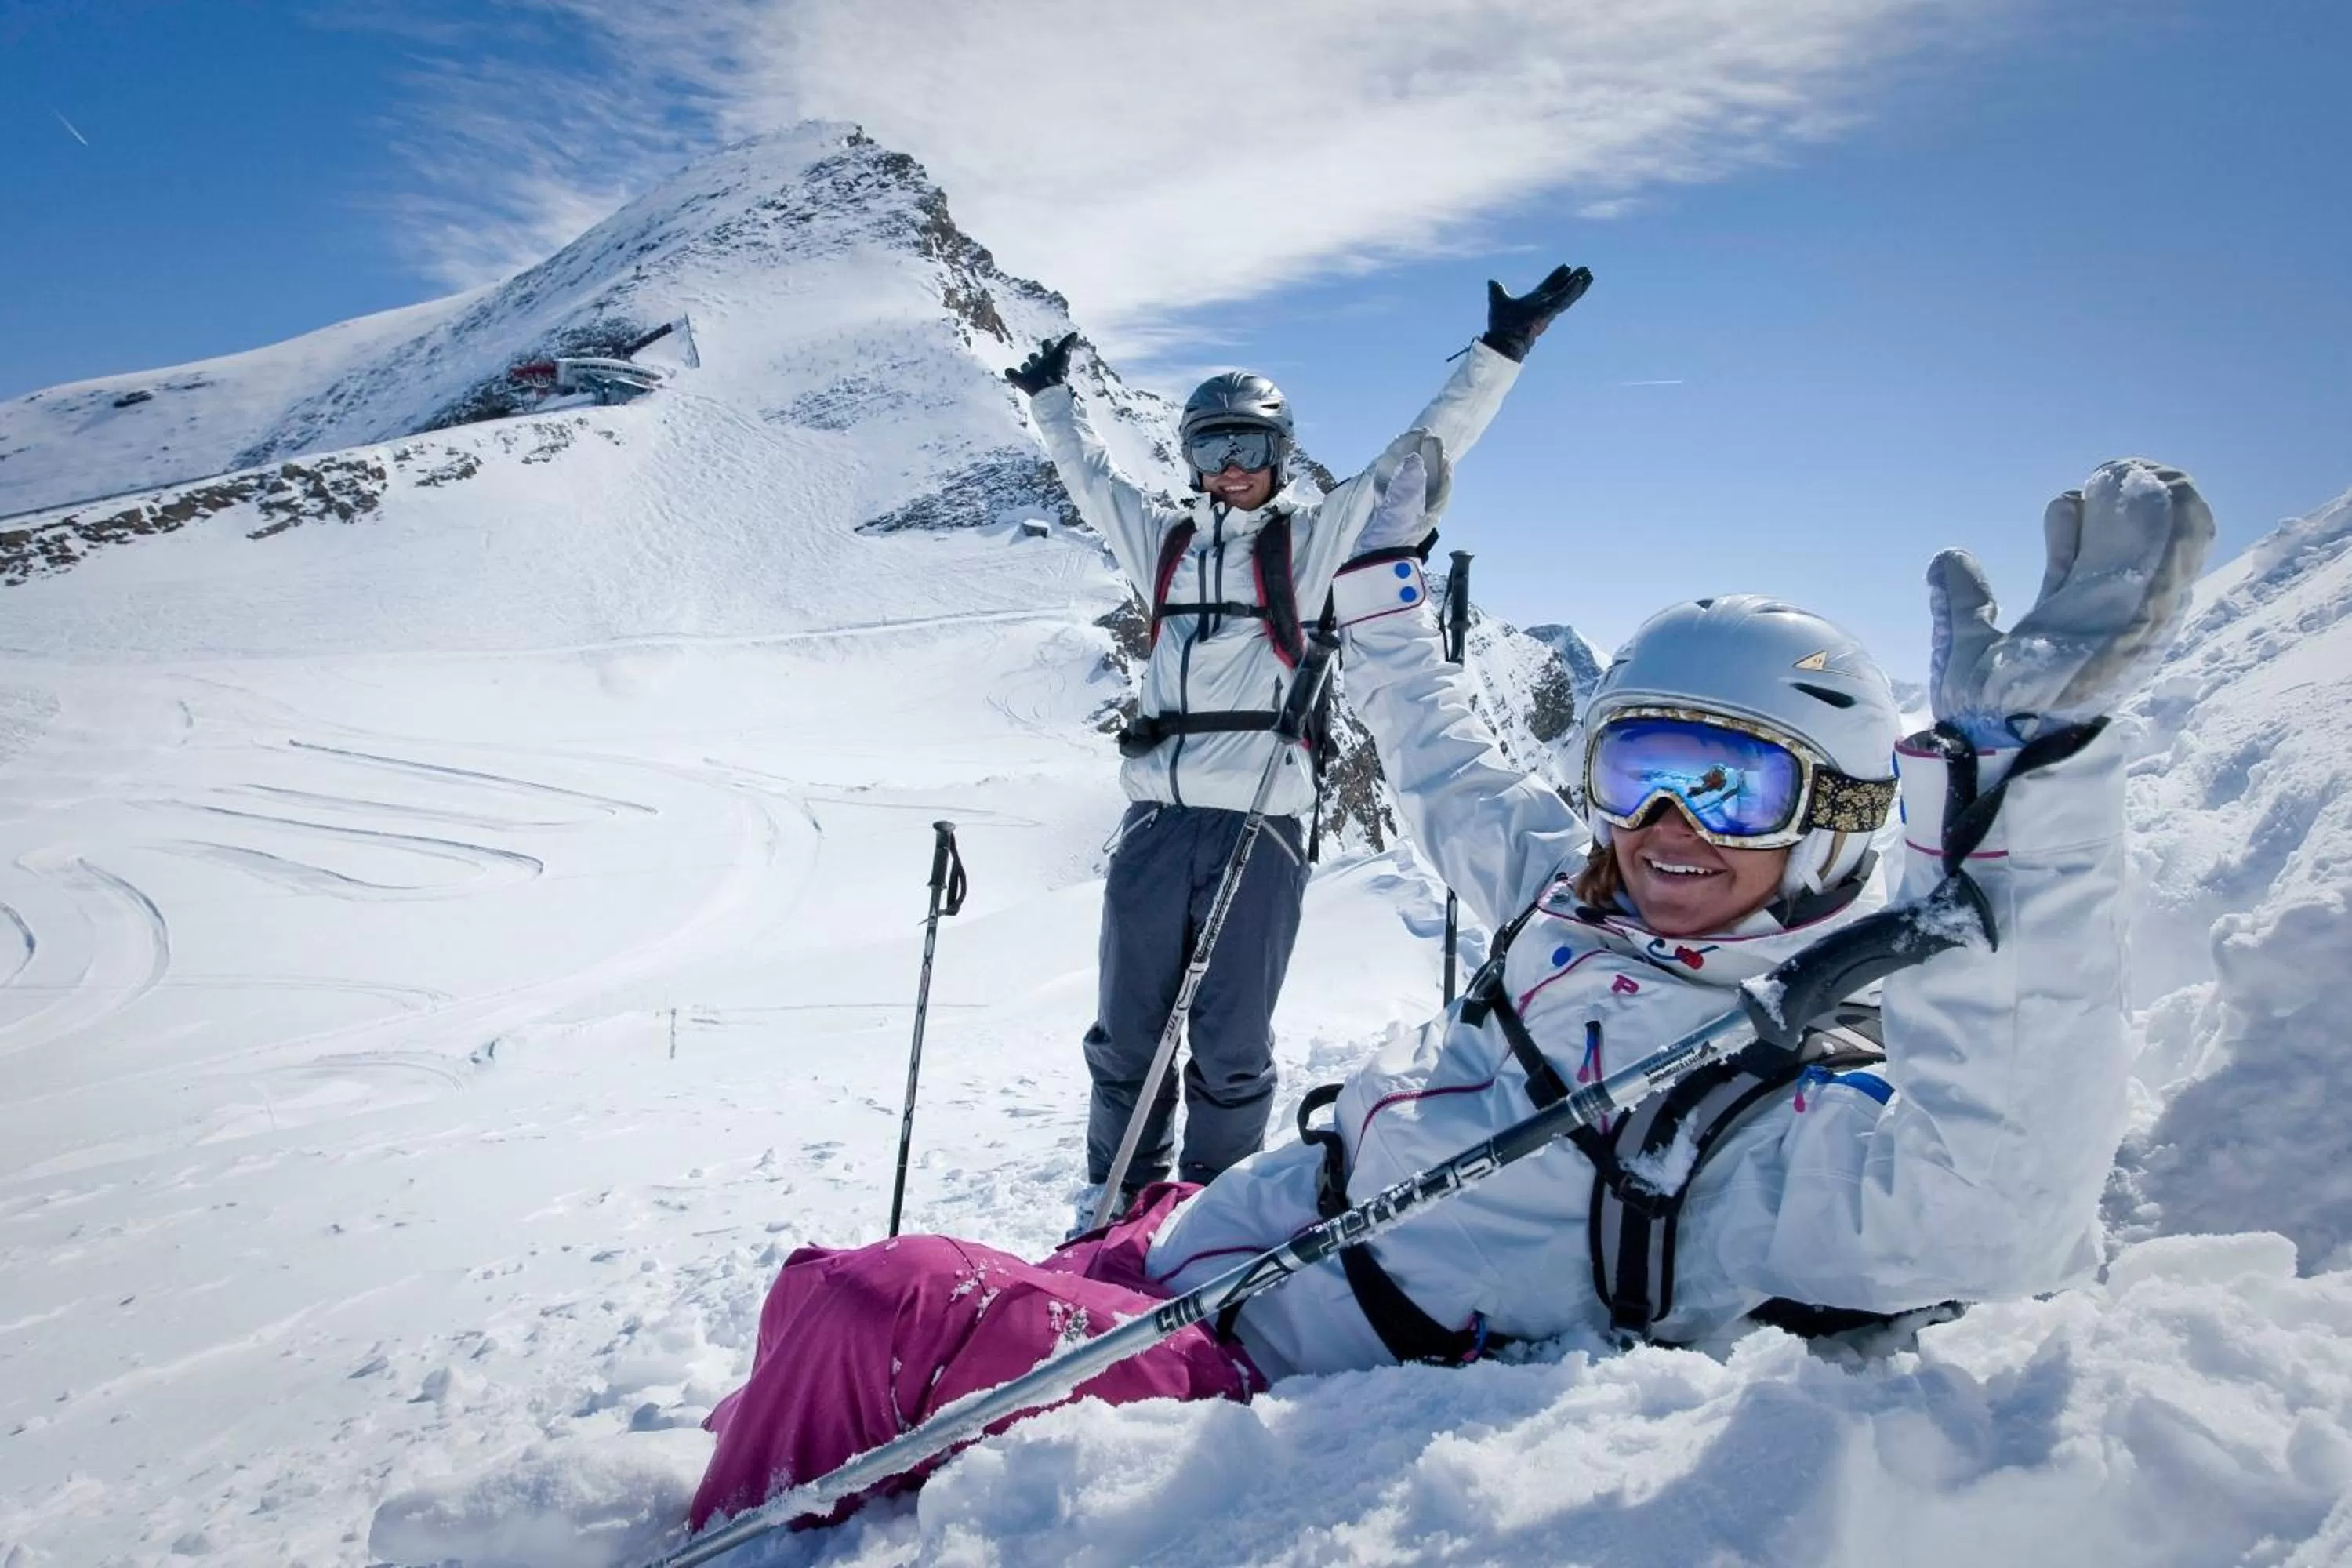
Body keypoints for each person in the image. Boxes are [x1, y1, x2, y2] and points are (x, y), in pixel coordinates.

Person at [687, 456, 2212, 1534]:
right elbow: (1440, 760)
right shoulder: (1579, 895)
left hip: (1261, 1348)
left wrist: (2029, 785)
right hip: (1219, 1236)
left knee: (861, 1300)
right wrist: (1384, 596)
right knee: (875, 1300)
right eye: (1638, 771)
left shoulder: (1773, 1110)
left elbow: (2000, 1201)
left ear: (1835, 813)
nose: (1669, 827)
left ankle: (769, 1525)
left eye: (1731, 785)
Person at [1001, 264, 1593, 1223]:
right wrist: (1051, 400)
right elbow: (1087, 477)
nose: (1231, 465)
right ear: (1191, 455)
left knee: (1231, 1046)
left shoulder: (1309, 544)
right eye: (1212, 445)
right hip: (1155, 823)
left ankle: (1202, 1216)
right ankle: (1113, 1204)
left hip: (1263, 827)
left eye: (1251, 444)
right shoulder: (1160, 544)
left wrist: (1501, 353)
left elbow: (1418, 456)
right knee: (1127, 1040)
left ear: (1281, 453)